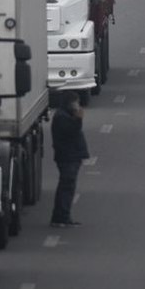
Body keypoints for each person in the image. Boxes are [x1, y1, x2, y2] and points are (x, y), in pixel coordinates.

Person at [50, 93, 88, 227]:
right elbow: (71, 132)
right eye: (75, 103)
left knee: (68, 187)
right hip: (67, 157)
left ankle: (63, 216)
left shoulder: (65, 115)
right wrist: (78, 119)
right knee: (66, 186)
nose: (77, 106)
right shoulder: (62, 117)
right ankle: (61, 216)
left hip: (71, 156)